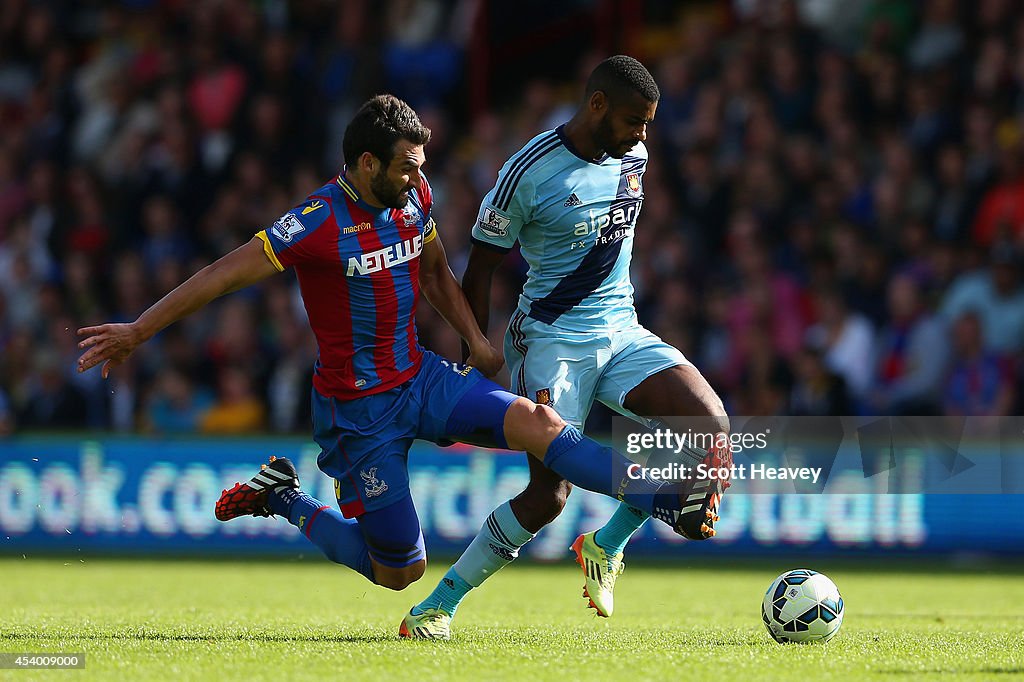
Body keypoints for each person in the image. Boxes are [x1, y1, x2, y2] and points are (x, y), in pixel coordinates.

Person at [75, 94, 724, 637]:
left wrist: (474, 337)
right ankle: (284, 497)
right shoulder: (316, 222)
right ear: (365, 163)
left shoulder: (412, 199)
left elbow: (436, 268)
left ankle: (664, 497)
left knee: (540, 425)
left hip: (420, 377)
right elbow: (220, 277)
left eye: (421, 166)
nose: (419, 179)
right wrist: (138, 329)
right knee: (398, 571)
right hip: (359, 413)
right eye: (408, 167)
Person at [406, 56, 730, 638]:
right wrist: (474, 350)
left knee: (709, 425)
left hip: (622, 327)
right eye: (635, 120)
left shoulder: (635, 154)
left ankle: (606, 544)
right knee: (548, 496)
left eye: (649, 123)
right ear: (597, 105)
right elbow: (479, 270)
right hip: (550, 338)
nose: (642, 135)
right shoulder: (528, 171)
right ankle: (438, 606)